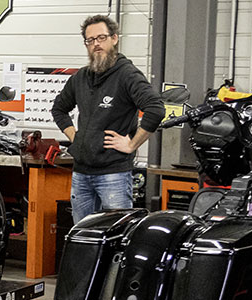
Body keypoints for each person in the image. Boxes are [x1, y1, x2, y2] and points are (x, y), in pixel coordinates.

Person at [50, 15, 165, 222]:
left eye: (101, 38)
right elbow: (59, 109)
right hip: (81, 174)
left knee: (115, 237)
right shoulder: (80, 77)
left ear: (114, 38)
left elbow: (155, 109)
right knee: (82, 237)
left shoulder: (127, 75)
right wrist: (76, 136)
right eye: (90, 40)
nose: (96, 44)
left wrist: (131, 144)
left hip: (113, 175)